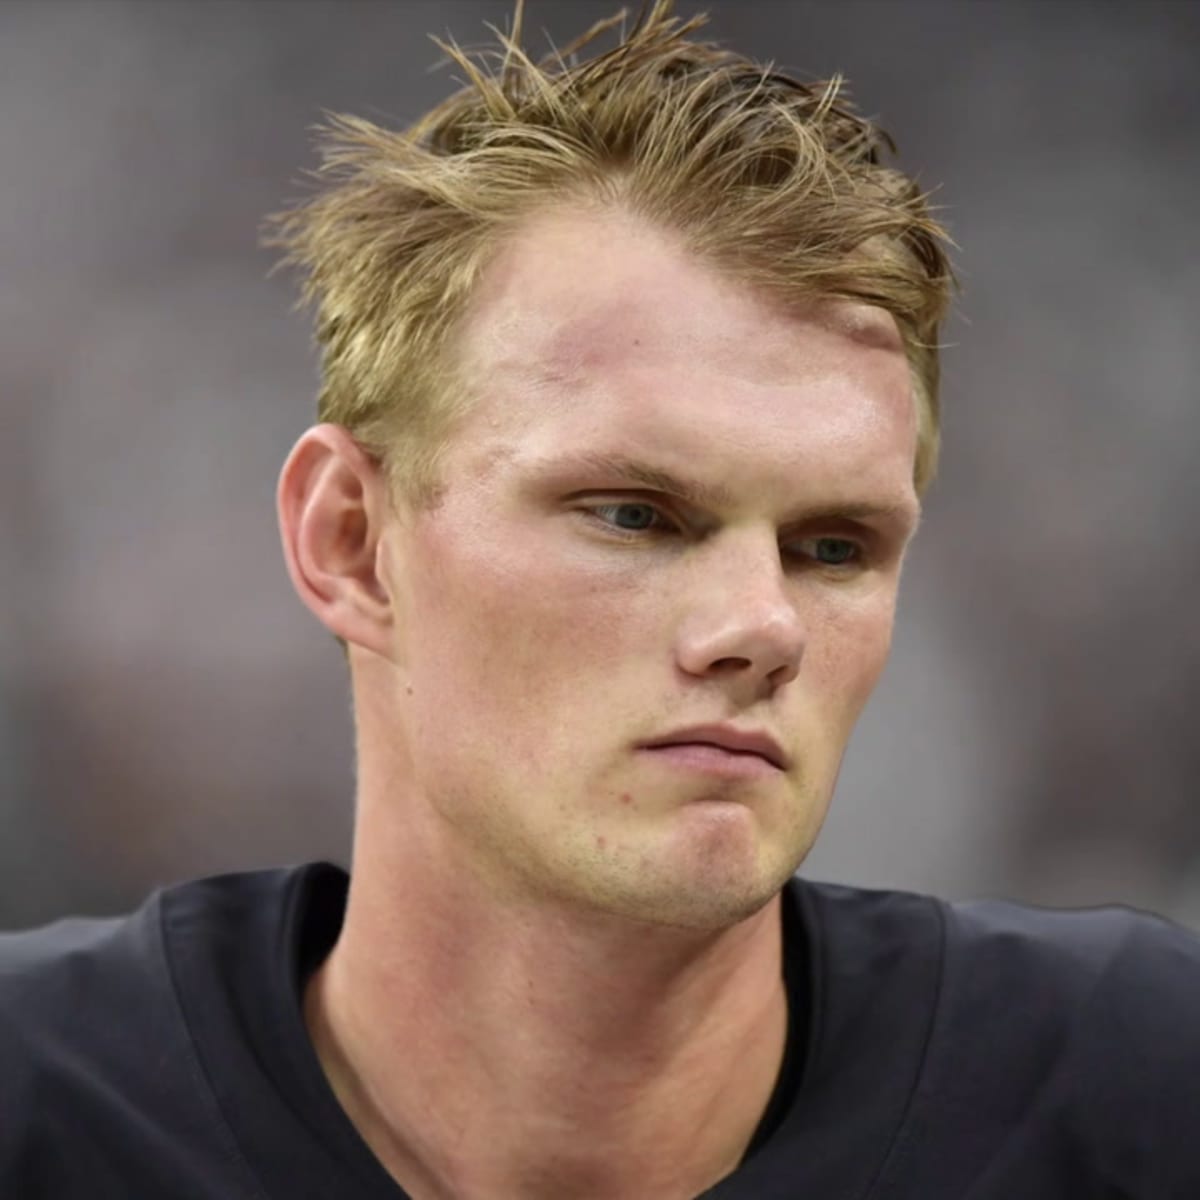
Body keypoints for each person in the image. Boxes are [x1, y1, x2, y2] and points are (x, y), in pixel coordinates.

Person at [2, 3, 1198, 1197]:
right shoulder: (40, 1105)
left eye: (833, 547)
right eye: (634, 513)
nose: (763, 627)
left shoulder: (1134, 1092)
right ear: (352, 543)